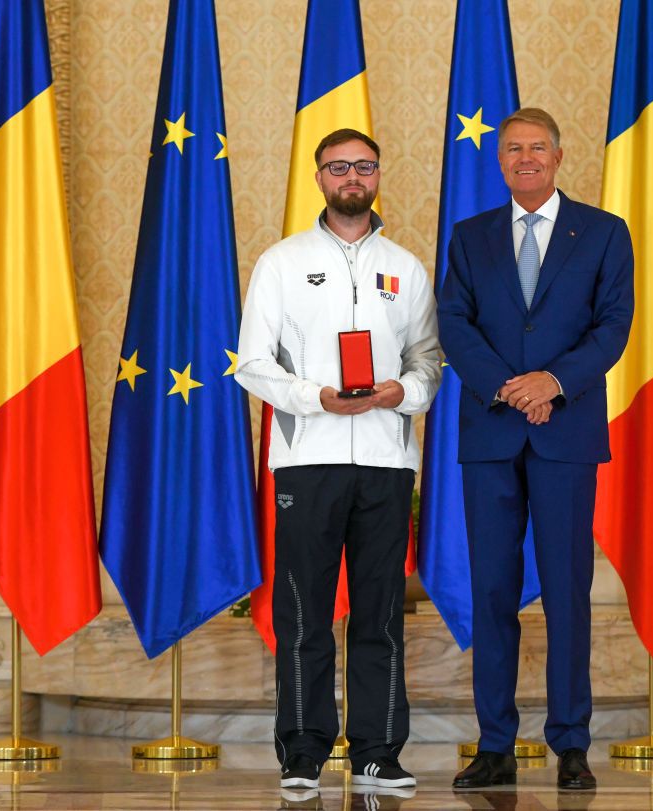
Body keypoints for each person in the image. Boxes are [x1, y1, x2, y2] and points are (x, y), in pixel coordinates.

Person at [236, 128, 441, 792]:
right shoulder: (281, 263)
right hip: (307, 459)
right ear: (319, 177)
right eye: (339, 167)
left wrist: (401, 392)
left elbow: (429, 362)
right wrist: (315, 398)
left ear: (377, 175)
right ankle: (302, 751)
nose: (353, 176)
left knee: (381, 613)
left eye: (364, 166)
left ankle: (377, 751)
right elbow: (252, 364)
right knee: (304, 613)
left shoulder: (405, 267)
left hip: (386, 462)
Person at [438, 108, 634, 791]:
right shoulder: (470, 237)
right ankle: (495, 744)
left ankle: (571, 744)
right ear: (500, 161)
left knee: (567, 592)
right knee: (492, 591)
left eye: (537, 148)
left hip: (566, 432)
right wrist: (507, 387)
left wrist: (553, 382)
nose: (526, 158)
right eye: (514, 149)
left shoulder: (604, 232)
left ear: (558, 156)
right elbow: (454, 323)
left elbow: (613, 325)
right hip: (491, 434)